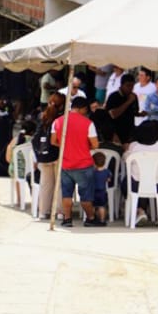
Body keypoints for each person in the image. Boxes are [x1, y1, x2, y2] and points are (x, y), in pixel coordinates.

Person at [52, 95, 103, 227]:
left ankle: (67, 219)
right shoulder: (88, 123)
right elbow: (96, 145)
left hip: (65, 164)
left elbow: (53, 141)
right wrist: (84, 146)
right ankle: (90, 218)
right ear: (83, 109)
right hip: (83, 164)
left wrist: (66, 146)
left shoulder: (57, 121)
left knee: (67, 194)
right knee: (85, 195)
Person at [32, 93, 65, 221]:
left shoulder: (42, 117)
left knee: (45, 184)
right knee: (59, 184)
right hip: (57, 155)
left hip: (43, 156)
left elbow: (35, 137)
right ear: (62, 105)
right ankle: (60, 212)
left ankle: (43, 211)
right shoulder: (62, 118)